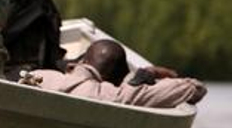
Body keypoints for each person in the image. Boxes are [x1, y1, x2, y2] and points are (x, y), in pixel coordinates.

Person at [23, 40, 207, 107]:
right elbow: (196, 88)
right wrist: (151, 73)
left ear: (81, 62)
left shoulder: (40, 76)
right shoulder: (118, 96)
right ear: (118, 78)